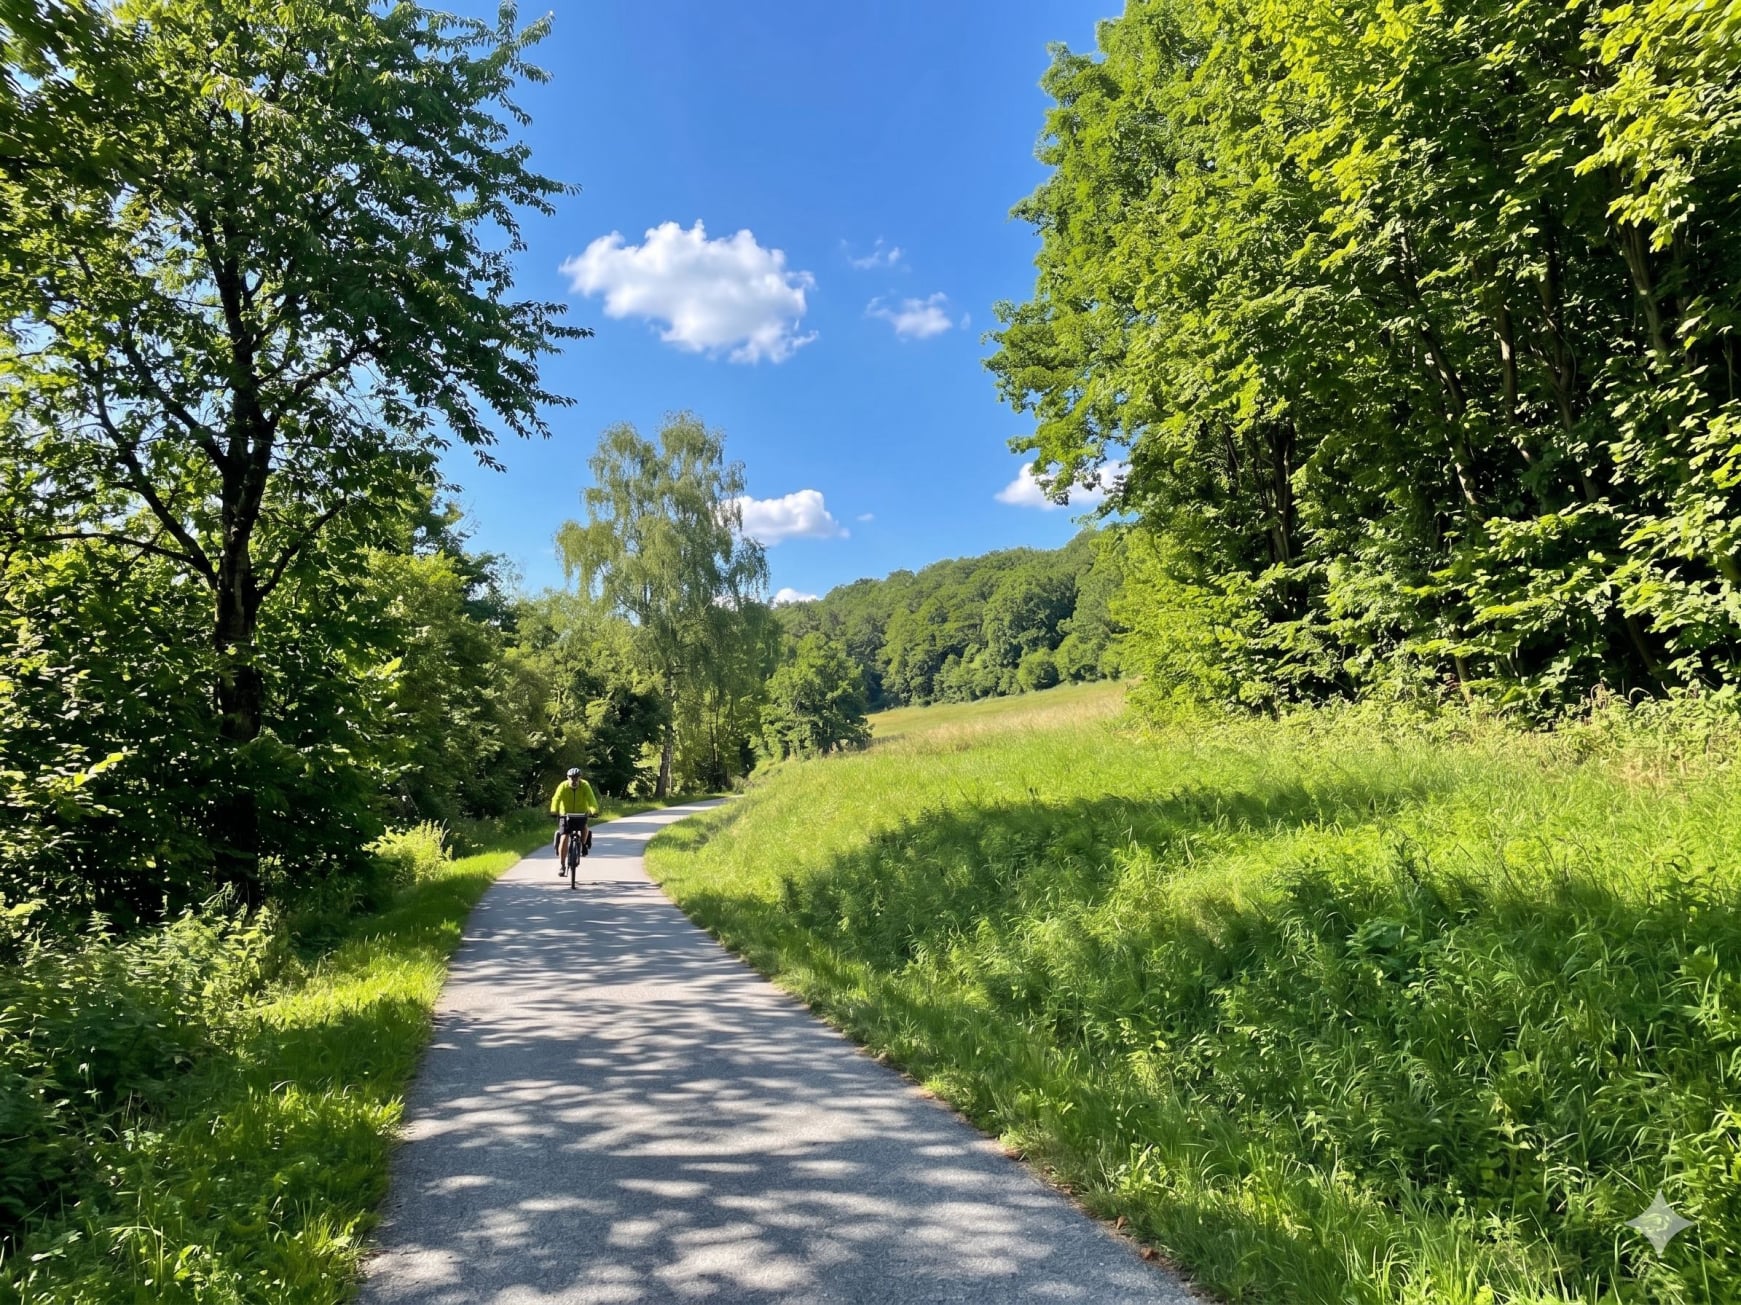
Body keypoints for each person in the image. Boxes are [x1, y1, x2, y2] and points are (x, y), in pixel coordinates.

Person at [549, 766, 600, 875]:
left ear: (580, 778)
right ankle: (562, 865)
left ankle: (583, 844)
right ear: (568, 777)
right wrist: (554, 810)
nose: (574, 780)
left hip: (581, 813)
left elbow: (591, 799)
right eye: (571, 777)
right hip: (565, 815)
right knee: (564, 836)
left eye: (576, 777)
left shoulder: (585, 785)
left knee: (584, 827)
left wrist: (594, 810)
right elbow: (556, 799)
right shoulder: (563, 786)